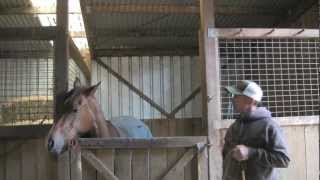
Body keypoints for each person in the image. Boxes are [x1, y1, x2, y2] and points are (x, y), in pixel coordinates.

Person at [222, 80, 290, 180]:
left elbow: (283, 159)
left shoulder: (269, 126)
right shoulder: (234, 127)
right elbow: (227, 157)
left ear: (250, 100)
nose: (233, 99)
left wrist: (251, 152)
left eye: (237, 96)